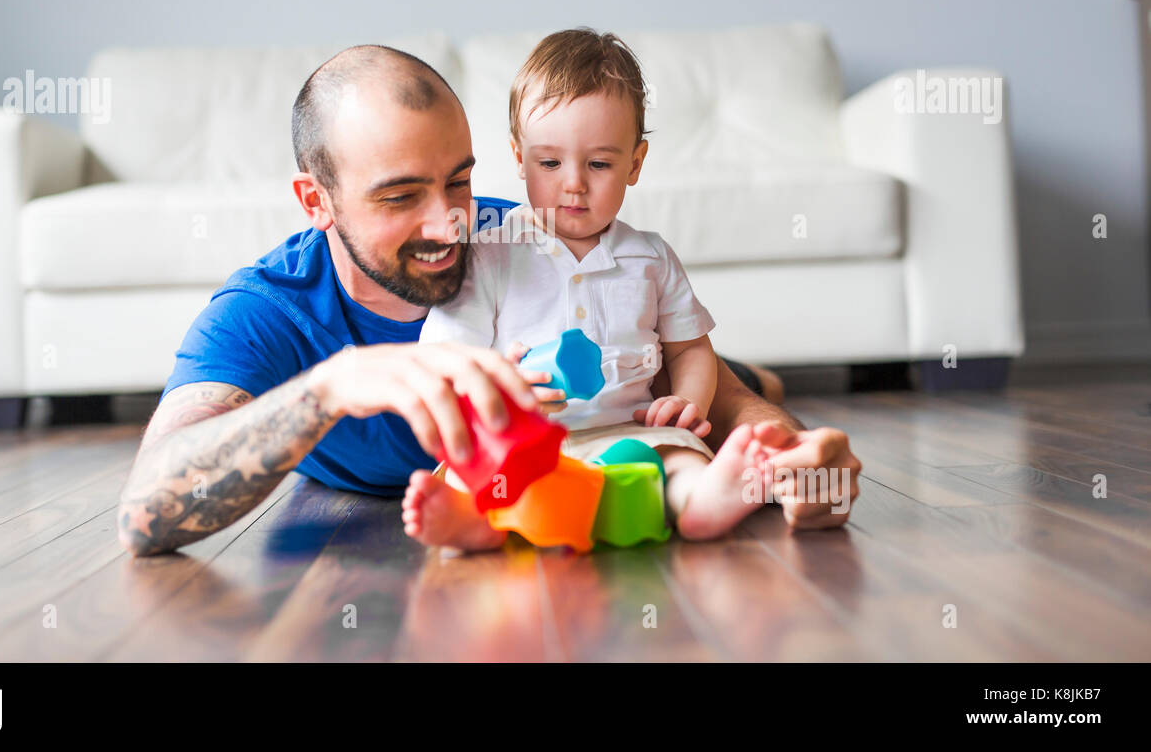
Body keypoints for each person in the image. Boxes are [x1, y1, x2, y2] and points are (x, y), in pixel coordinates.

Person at [116, 45, 861, 556]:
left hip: (608, 391)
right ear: (317, 200)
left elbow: (710, 399)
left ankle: (766, 374)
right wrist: (329, 387)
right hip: (504, 481)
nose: (450, 222)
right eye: (402, 195)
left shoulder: (524, 235)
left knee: (733, 382)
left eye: (459, 180)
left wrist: (796, 463)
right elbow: (144, 513)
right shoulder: (265, 313)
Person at [403, 29, 797, 550]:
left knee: (679, 454)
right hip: (530, 437)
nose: (574, 183)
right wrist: (501, 392)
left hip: (629, 432)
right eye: (550, 163)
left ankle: (701, 501)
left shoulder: (651, 257)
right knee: (472, 466)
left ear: (635, 163)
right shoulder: (491, 254)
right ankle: (472, 523)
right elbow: (447, 362)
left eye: (599, 164)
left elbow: (690, 348)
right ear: (519, 158)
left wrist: (687, 401)